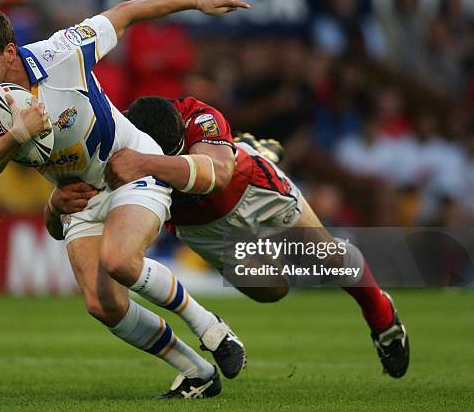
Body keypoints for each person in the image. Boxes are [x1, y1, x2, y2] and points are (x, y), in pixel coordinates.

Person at [0, 0, 251, 399]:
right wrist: (17, 137)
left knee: (120, 260)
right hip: (78, 196)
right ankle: (197, 371)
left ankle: (212, 328)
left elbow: (126, 11)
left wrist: (197, 0)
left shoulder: (62, 53)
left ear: (9, 52)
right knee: (102, 304)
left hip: (128, 166)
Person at [58, 95, 410, 379]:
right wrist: (55, 204)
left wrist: (147, 165)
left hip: (252, 191)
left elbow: (220, 174)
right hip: (202, 229)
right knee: (272, 290)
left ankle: (382, 316)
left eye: (179, 150)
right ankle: (248, 146)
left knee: (325, 257)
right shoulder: (118, 140)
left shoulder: (199, 116)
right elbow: (73, 211)